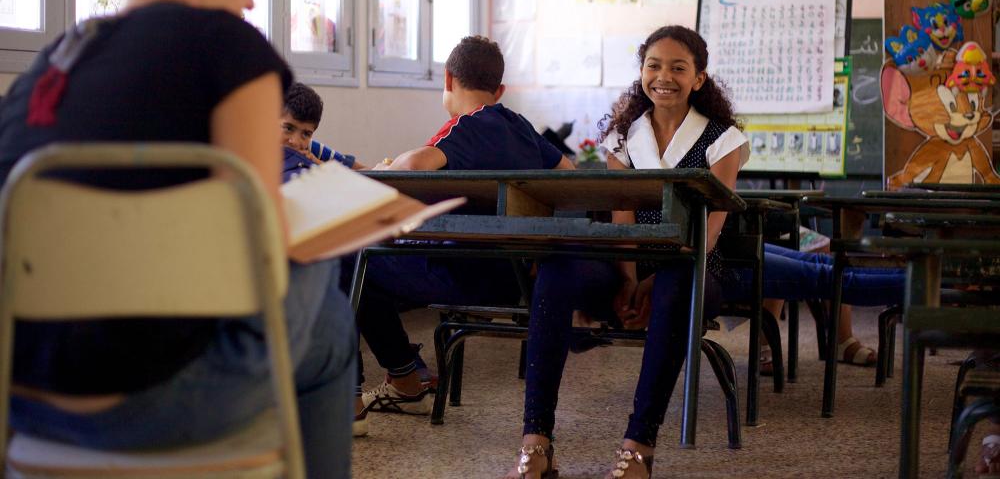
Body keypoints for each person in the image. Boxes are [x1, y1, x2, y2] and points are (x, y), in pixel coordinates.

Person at [0, 0, 354, 479]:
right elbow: (255, 261)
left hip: (19, 393)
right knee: (324, 300)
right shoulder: (229, 47)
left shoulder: (51, 61)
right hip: (164, 401)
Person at [505, 26, 905, 479]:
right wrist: (631, 280)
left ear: (698, 79)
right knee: (558, 270)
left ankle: (638, 446)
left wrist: (655, 281)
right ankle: (535, 442)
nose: (664, 77)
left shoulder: (722, 139)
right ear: (641, 73)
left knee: (731, 277)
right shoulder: (623, 136)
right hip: (630, 266)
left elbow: (710, 233)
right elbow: (621, 220)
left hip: (696, 270)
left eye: (679, 68)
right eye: (653, 66)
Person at [350, 35, 574, 435]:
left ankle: (372, 392)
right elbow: (568, 176)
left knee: (349, 260)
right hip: (517, 280)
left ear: (448, 78)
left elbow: (413, 166)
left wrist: (390, 163)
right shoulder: (518, 125)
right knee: (372, 259)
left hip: (464, 278)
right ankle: (405, 376)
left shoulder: (466, 126)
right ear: (500, 90)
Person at [282, 81, 366, 176]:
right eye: (288, 128)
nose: (295, 142)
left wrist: (318, 164)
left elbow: (365, 171)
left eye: (306, 134)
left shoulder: (311, 148)